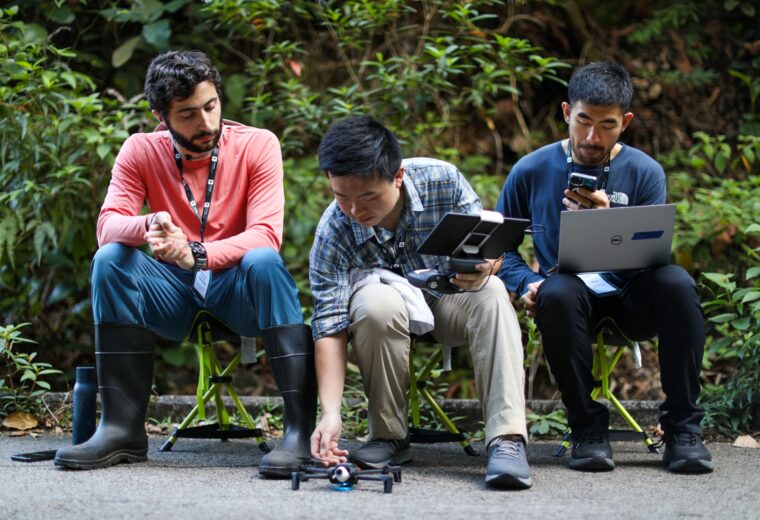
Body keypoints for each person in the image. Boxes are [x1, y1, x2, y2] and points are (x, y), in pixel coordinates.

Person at [54, 50, 316, 477]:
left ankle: (298, 434)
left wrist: (197, 253)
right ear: (161, 115)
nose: (206, 123)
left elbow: (267, 232)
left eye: (211, 106)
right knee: (110, 258)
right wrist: (151, 224)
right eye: (189, 114)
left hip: (237, 290)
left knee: (265, 259)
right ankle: (122, 429)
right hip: (172, 295)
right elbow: (108, 225)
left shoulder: (258, 144)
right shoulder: (140, 149)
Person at [496, 62, 713, 473]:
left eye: (607, 125)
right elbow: (502, 249)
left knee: (679, 284)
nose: (592, 137)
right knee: (555, 290)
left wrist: (610, 218)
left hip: (631, 294)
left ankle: (683, 429)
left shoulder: (644, 171)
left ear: (625, 122)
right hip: (568, 295)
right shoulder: (531, 169)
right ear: (566, 113)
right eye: (583, 122)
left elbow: (653, 259)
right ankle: (588, 430)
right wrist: (526, 282)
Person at [308, 115, 531, 489]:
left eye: (367, 197)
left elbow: (493, 253)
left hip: (449, 300)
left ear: (396, 176)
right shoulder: (334, 230)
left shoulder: (441, 181)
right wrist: (329, 413)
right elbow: (329, 325)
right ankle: (388, 436)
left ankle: (506, 439)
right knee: (375, 302)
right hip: (384, 314)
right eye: (340, 196)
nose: (354, 211)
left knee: (492, 291)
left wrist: (485, 268)